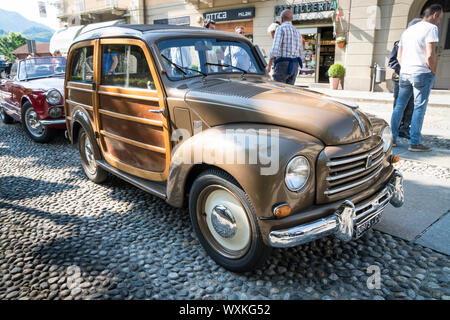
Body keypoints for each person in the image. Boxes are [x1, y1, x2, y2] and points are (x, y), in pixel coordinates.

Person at [390, 4, 443, 152]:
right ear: (435, 15)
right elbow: (430, 54)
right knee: (419, 107)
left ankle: (392, 138)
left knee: (399, 106)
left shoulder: (408, 31)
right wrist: (432, 71)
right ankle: (415, 143)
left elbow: (399, 56)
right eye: (440, 18)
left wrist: (407, 67)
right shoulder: (431, 28)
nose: (439, 21)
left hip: (405, 73)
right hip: (422, 73)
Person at [388, 18, 422, 140]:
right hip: (399, 78)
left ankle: (405, 128)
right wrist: (405, 68)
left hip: (415, 77)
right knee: (399, 104)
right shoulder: (399, 43)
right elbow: (392, 62)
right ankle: (395, 130)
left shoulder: (419, 44)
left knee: (411, 105)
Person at [267, 9, 304, 85]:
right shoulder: (297, 31)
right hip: (294, 66)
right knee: (289, 92)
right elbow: (301, 52)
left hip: (282, 65)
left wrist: (269, 65)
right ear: (291, 19)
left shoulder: (280, 29)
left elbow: (275, 49)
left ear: (281, 18)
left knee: (279, 90)